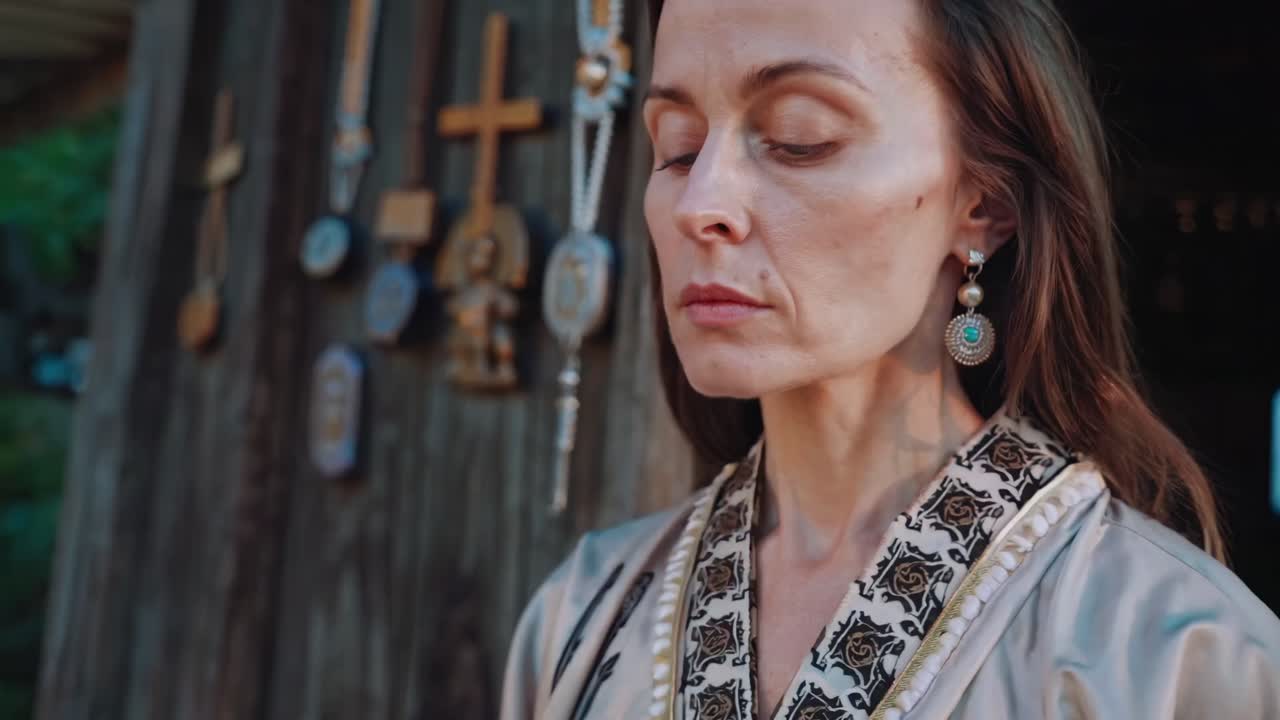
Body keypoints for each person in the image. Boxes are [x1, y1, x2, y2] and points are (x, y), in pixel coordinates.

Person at [501, 0, 1280, 717]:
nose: (701, 203)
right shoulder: (581, 619)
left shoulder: (1178, 655)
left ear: (983, 206)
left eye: (799, 138)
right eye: (677, 148)